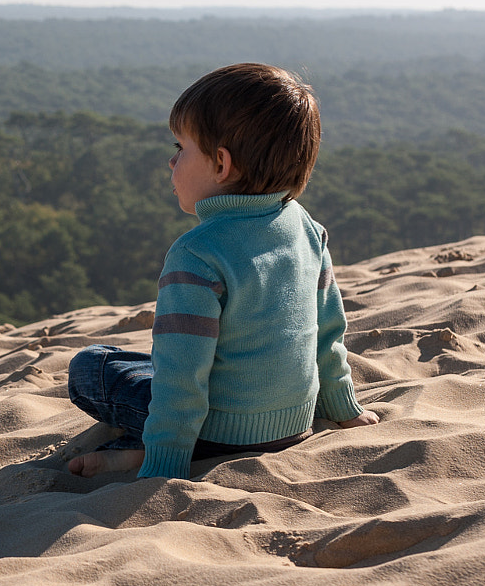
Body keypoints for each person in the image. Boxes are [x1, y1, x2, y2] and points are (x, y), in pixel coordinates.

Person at [66, 63, 377, 480]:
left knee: (93, 365)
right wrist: (343, 410)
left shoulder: (196, 253)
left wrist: (166, 463)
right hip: (294, 423)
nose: (171, 161)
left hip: (220, 432)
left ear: (221, 165)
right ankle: (146, 449)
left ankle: (146, 452)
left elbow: (181, 377)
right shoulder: (305, 225)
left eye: (181, 148)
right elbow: (327, 330)